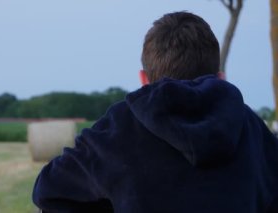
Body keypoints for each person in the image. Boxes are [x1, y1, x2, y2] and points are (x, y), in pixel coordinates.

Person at [32, 12, 278, 212]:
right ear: (220, 78)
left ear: (144, 80)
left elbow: (49, 193)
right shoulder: (253, 130)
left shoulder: (119, 127)